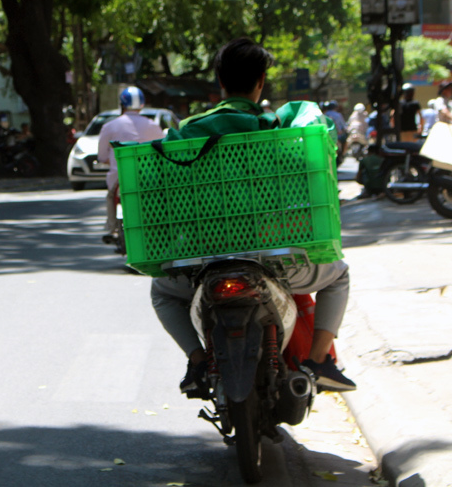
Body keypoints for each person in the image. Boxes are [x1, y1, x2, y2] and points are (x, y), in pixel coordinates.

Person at [150, 38, 356, 395]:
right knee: (338, 275)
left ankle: (198, 362)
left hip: (205, 256)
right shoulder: (277, 128)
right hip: (272, 258)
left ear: (220, 82)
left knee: (162, 291)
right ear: (260, 81)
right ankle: (319, 361)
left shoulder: (188, 130)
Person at [97, 86, 164, 244]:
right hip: (150, 180)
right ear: (142, 104)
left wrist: (109, 160)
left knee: (110, 196)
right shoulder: (153, 126)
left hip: (119, 180)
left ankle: (112, 227)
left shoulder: (110, 126)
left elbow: (102, 156)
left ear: (122, 104)